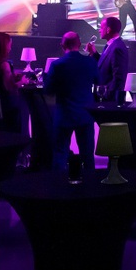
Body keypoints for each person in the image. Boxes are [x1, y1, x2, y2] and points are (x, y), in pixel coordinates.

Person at [42, 30, 99, 169]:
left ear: (62, 46)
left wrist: (45, 77)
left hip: (64, 116)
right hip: (85, 115)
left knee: (60, 156)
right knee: (88, 157)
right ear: (79, 45)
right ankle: (90, 182)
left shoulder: (57, 65)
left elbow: (48, 90)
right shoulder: (90, 62)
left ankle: (59, 182)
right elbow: (99, 81)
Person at [94, 15, 131, 103]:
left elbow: (118, 77)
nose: (99, 30)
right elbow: (104, 65)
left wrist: (106, 95)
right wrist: (94, 53)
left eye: (101, 28)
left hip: (109, 100)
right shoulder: (111, 45)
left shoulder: (117, 48)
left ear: (108, 29)